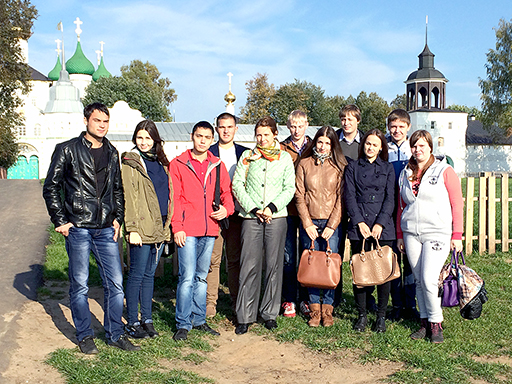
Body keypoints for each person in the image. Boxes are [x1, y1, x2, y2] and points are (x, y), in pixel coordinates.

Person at [43, 102, 139, 353]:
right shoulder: (67, 150)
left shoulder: (111, 151)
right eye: (97, 121)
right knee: (81, 285)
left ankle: (115, 333)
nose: (102, 126)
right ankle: (85, 335)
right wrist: (60, 220)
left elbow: (117, 189)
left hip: (106, 227)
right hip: (78, 227)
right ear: (86, 121)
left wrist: (117, 217)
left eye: (106, 122)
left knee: (116, 283)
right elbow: (51, 187)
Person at [170, 121, 234, 341]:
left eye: (207, 137)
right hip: (187, 230)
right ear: (192, 137)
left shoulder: (217, 165)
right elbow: (175, 199)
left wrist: (226, 210)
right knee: (186, 277)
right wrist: (177, 227)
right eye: (199, 136)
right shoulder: (178, 164)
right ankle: (182, 322)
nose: (203, 140)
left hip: (210, 229)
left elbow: (227, 193)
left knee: (201, 277)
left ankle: (199, 319)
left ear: (212, 139)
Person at [397, 130, 463, 343]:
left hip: (437, 232)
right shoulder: (406, 171)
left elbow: (457, 203)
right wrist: (400, 234)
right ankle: (424, 322)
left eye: (422, 146)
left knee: (428, 278)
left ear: (430, 147)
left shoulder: (444, 170)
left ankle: (436, 323)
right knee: (418, 280)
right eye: (414, 146)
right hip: (411, 233)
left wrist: (457, 234)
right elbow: (401, 206)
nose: (418, 150)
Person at [232, 116, 295, 334]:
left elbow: (290, 188)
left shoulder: (285, 158)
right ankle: (245, 315)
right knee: (249, 265)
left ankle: (269, 313)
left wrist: (271, 207)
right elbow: (237, 184)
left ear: (275, 134)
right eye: (258, 134)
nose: (262, 139)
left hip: (276, 217)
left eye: (266, 134)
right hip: (251, 217)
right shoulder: (248, 157)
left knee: (273, 265)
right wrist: (253, 208)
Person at [121, 120, 173, 339]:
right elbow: (129, 197)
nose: (143, 142)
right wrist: (132, 228)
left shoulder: (161, 162)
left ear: (155, 140)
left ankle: (147, 319)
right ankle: (132, 320)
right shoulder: (131, 162)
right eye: (139, 137)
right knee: (136, 275)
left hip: (159, 225)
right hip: (141, 226)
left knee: (150, 274)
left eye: (147, 138)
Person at [295, 126, 347, 327]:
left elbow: (341, 199)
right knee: (312, 266)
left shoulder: (338, 167)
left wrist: (332, 225)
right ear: (314, 143)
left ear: (332, 145)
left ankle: (328, 309)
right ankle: (314, 309)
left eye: (327, 143)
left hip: (330, 223)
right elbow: (299, 194)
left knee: (329, 265)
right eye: (320, 142)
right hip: (309, 221)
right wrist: (307, 223)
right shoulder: (304, 164)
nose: (323, 146)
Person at [345, 129, 396, 333]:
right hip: (361, 228)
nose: (370, 148)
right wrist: (359, 222)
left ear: (381, 147)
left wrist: (380, 223)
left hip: (383, 228)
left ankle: (381, 316)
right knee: (362, 274)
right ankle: (362, 315)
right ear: (362, 145)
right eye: (367, 144)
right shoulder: (353, 168)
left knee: (384, 274)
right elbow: (349, 197)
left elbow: (390, 198)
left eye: (375, 144)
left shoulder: (388, 168)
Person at [206, 112, 248, 317]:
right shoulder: (209, 152)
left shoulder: (245, 154)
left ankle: (236, 301)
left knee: (235, 259)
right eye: (222, 127)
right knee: (213, 260)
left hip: (238, 214)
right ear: (217, 129)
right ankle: (210, 303)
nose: (225, 130)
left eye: (229, 127)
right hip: (215, 213)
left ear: (236, 129)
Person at [385, 109, 419, 321]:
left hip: (409, 209)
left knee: (411, 260)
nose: (396, 131)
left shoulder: (413, 149)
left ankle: (411, 303)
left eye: (401, 127)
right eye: (393, 127)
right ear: (388, 128)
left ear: (408, 127)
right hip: (389, 210)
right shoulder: (384, 148)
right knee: (393, 259)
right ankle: (396, 304)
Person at [280, 110, 312, 318]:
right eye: (293, 126)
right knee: (289, 256)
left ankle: (307, 299)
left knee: (308, 254)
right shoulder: (282, 148)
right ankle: (289, 299)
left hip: (310, 209)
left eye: (300, 126)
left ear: (306, 125)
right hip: (288, 208)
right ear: (288, 126)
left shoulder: (314, 146)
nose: (296, 129)